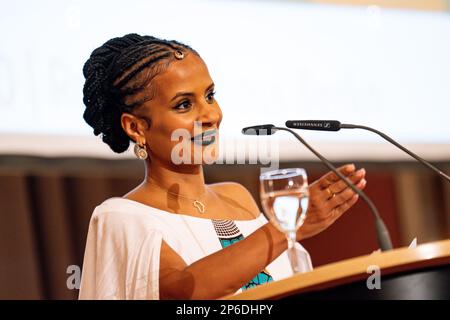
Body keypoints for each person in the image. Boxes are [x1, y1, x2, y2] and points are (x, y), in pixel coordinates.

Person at [78, 34, 367, 300]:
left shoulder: (236, 197)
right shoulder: (121, 216)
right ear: (136, 127)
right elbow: (185, 291)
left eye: (210, 95)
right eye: (183, 105)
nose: (211, 115)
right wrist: (287, 229)